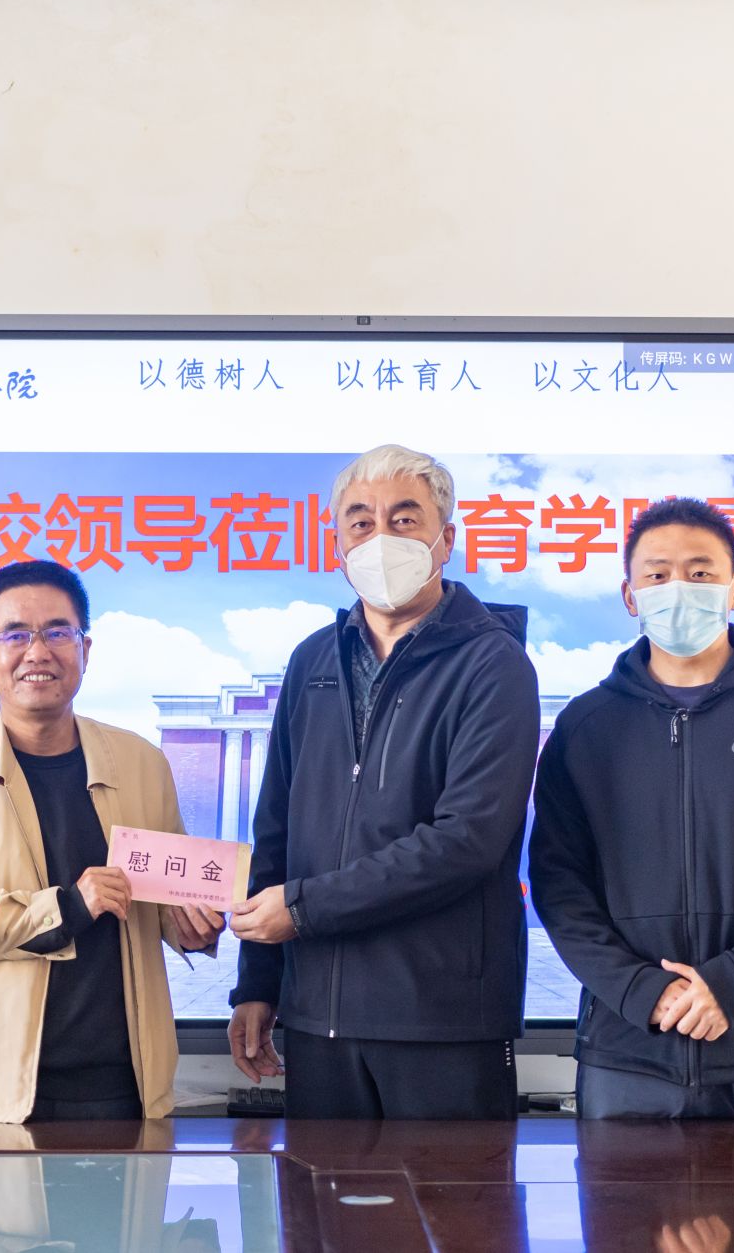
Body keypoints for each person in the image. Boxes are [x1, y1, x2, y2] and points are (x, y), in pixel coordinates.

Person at [529, 497, 734, 1172]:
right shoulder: (586, 727)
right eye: (657, 574)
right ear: (630, 595)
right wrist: (642, 992)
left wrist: (732, 985)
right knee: (626, 1223)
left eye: (701, 572)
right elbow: (560, 884)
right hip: (628, 1054)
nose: (678, 588)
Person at [227, 444, 540, 1120]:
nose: (381, 538)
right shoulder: (313, 659)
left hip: (443, 1018)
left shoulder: (493, 664)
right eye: (361, 522)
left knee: (455, 1194)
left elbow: (467, 840)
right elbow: (275, 827)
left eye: (404, 519)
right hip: (317, 1020)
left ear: (445, 539)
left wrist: (302, 908)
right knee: (319, 1194)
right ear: (337, 545)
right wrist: (257, 983)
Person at [0, 560, 223, 1123]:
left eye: (58, 632)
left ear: (85, 649)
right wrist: (67, 907)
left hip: (127, 1086)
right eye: (15, 635)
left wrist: (191, 926)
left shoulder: (142, 763)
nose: (38, 652)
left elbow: (162, 897)